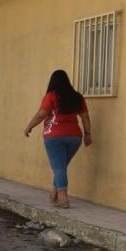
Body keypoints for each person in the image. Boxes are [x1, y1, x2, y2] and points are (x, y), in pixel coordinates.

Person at [24, 70, 92, 208]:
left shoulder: (51, 96)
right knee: (60, 167)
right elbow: (85, 117)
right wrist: (88, 134)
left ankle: (63, 199)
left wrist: (29, 126)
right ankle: (54, 192)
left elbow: (41, 114)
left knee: (59, 168)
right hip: (75, 137)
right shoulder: (77, 97)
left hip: (54, 136)